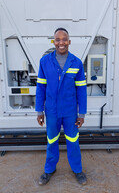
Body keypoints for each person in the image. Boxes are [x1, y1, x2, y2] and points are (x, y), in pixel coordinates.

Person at [36, 28, 87, 185]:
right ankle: (49, 169)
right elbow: (40, 88)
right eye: (57, 39)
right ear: (54, 42)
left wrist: (82, 114)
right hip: (51, 111)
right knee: (52, 140)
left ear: (69, 41)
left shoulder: (76, 63)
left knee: (73, 141)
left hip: (70, 111)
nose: (61, 42)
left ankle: (77, 170)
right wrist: (39, 111)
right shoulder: (45, 62)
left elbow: (82, 90)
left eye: (64, 39)